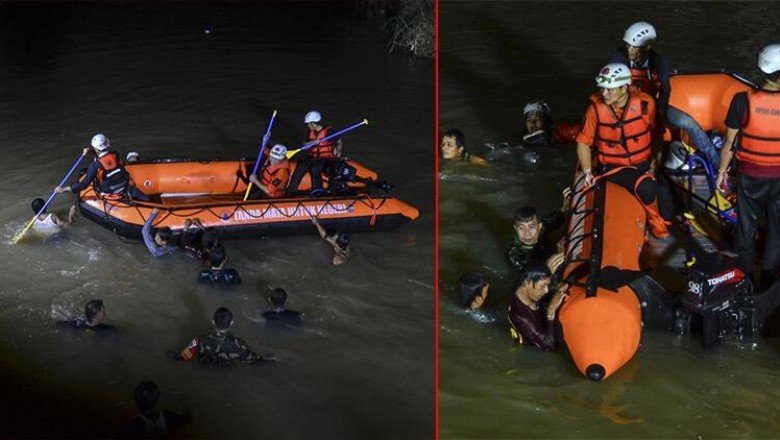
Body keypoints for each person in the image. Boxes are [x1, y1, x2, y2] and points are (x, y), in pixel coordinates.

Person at [575, 62, 670, 238]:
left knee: (668, 203)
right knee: (646, 187)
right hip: (613, 166)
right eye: (602, 88)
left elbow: (657, 134)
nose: (604, 93)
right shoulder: (594, 109)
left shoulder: (645, 103)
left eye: (609, 89)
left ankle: (661, 215)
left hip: (643, 161)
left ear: (625, 87)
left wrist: (654, 164)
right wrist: (588, 172)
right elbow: (583, 142)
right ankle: (654, 223)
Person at [610, 21, 720, 166]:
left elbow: (665, 89)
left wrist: (660, 111)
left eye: (634, 47)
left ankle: (717, 162)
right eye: (628, 45)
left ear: (647, 47)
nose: (629, 49)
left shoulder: (658, 62)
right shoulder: (619, 58)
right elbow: (614, 85)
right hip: (626, 107)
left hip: (653, 106)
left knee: (689, 123)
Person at [715, 44, 780, 289]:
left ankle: (744, 280)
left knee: (746, 228)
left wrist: (722, 173)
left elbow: (729, 143)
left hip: (750, 176)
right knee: (776, 230)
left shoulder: (742, 101)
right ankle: (769, 281)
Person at [54, 133, 150, 201]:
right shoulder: (116, 154)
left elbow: (84, 185)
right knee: (144, 198)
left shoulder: (95, 165)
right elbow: (105, 158)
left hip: (109, 190)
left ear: (96, 148)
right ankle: (148, 201)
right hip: (124, 184)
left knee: (95, 180)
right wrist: (91, 152)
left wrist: (64, 189)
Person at [176, 307, 274, 366]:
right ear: (231, 323)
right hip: (225, 370)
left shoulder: (199, 340)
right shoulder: (239, 345)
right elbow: (253, 360)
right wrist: (269, 359)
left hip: (204, 366)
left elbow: (184, 357)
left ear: (213, 322)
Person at [507, 187, 570, 272]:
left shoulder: (542, 228)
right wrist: (547, 268)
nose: (527, 233)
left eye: (531, 227)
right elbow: (527, 279)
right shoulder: (515, 254)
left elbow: (554, 218)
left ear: (539, 226)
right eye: (521, 228)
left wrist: (565, 207)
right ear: (515, 228)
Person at [507, 263, 567, 351]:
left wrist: (556, 289)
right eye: (543, 286)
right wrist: (551, 312)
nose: (546, 290)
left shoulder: (524, 290)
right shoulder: (521, 317)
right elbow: (550, 346)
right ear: (528, 282)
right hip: (528, 349)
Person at [287, 111, 343, 194]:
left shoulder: (329, 131)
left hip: (326, 157)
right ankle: (291, 190)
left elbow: (339, 141)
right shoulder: (310, 132)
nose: (308, 125)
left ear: (314, 123)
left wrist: (338, 152)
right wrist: (311, 143)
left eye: (309, 123)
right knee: (301, 167)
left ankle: (318, 190)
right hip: (313, 156)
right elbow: (305, 145)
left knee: (315, 169)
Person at [122, 380, 190, 439]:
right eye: (153, 392)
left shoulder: (166, 416)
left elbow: (184, 419)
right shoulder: (135, 425)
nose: (156, 394)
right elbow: (184, 419)